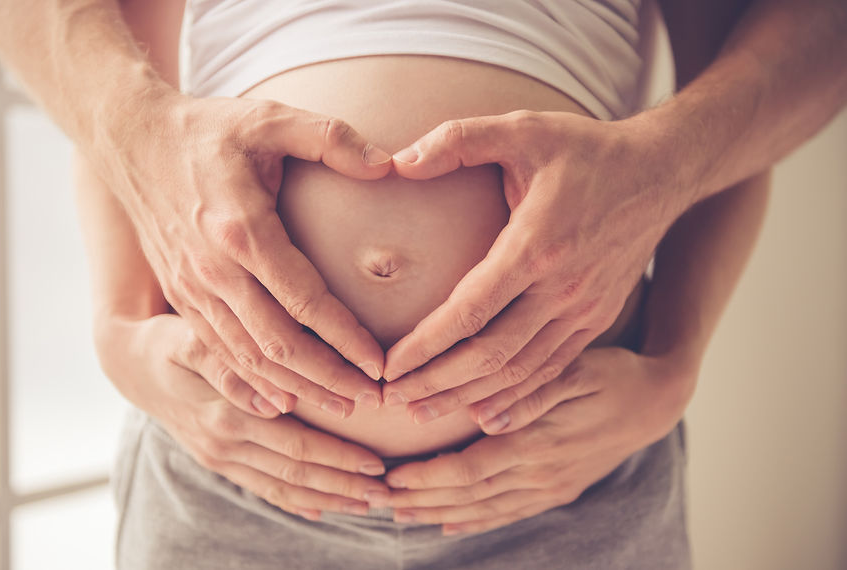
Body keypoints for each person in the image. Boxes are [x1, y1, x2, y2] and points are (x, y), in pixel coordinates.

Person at [72, 1, 772, 568]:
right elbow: (119, 87)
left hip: (565, 479)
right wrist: (120, 330)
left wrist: (676, 363)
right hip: (231, 463)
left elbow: (728, 95)